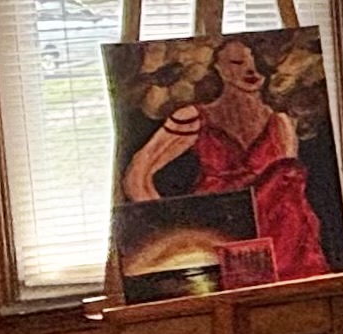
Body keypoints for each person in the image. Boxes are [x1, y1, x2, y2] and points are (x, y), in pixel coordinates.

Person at [123, 39, 329, 280]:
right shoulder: (193, 116)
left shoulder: (281, 123)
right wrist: (177, 228)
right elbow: (136, 177)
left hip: (283, 241)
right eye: (237, 62)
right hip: (218, 237)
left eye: (258, 64)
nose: (251, 71)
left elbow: (292, 194)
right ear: (217, 67)